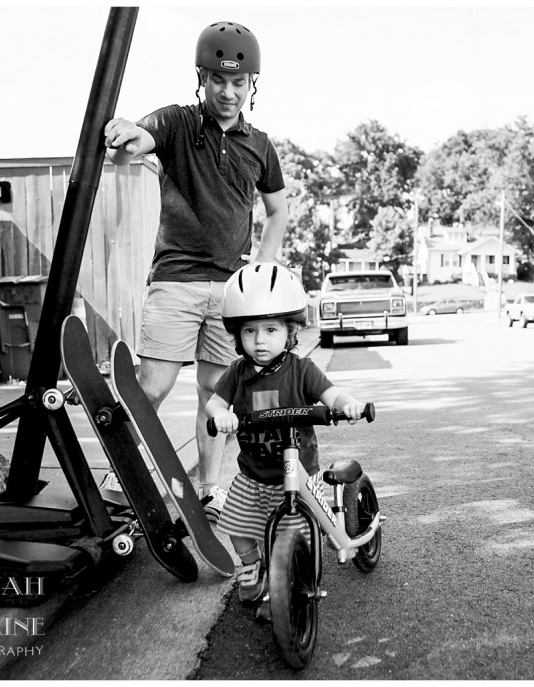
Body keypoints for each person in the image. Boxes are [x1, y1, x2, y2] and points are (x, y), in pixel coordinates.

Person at [103, 21, 288, 506]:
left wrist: (260, 270)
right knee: (154, 384)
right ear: (202, 78)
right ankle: (127, 478)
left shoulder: (260, 145)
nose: (228, 92)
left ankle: (210, 486)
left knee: (216, 392)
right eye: (218, 81)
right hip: (176, 281)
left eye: (239, 82)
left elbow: (278, 210)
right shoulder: (177, 122)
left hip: (231, 292)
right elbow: (133, 146)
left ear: (253, 85)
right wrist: (125, 134)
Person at [204, 263, 367, 615]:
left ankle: (289, 588)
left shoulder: (301, 369)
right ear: (237, 335)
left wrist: (348, 405)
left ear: (291, 331)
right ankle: (252, 567)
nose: (259, 340)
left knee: (298, 537)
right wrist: (221, 414)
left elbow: (330, 394)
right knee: (235, 523)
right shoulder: (238, 373)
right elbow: (215, 401)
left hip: (297, 476)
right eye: (249, 330)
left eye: (271, 329)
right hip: (252, 473)